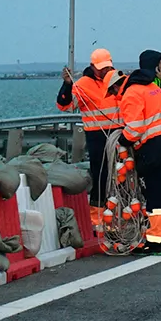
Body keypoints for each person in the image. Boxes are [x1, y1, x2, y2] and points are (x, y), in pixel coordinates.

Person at [120, 50, 161, 254]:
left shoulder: (132, 92)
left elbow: (135, 128)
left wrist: (123, 139)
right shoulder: (154, 90)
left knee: (156, 196)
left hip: (154, 149)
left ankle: (155, 242)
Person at [56, 48, 123, 230]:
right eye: (101, 68)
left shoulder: (118, 79)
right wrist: (67, 85)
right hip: (97, 136)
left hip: (119, 134)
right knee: (101, 176)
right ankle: (98, 220)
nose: (104, 71)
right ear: (93, 66)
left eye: (107, 67)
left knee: (122, 176)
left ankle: (121, 216)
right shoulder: (83, 84)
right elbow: (65, 105)